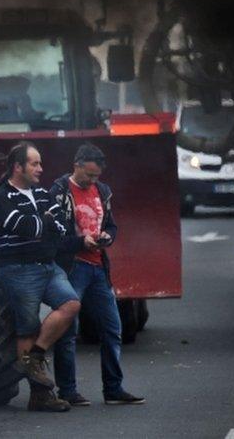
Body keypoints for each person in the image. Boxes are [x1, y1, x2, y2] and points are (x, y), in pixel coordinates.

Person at [0, 141, 82, 412]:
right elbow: (25, 227)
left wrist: (47, 224)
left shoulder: (42, 193)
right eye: (35, 163)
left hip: (48, 266)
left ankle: (35, 356)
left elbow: (62, 227)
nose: (41, 169)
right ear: (18, 167)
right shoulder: (1, 197)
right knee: (27, 327)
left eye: (40, 163)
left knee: (71, 304)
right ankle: (40, 396)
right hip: (18, 269)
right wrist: (46, 223)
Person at [51, 143, 145, 406]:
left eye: (96, 177)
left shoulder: (103, 191)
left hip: (98, 268)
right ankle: (67, 390)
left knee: (113, 328)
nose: (92, 181)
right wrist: (82, 243)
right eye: (89, 175)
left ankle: (113, 388)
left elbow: (112, 225)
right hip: (73, 268)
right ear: (77, 165)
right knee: (68, 331)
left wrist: (107, 237)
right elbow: (54, 238)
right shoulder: (58, 192)